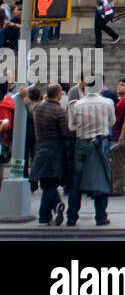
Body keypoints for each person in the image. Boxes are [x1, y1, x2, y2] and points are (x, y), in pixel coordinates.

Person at [65, 78, 115, 226]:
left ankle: (72, 216)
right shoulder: (108, 103)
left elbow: (72, 126)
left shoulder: (76, 104)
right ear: (100, 88)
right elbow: (112, 122)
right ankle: (100, 216)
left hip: (82, 142)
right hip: (100, 143)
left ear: (86, 88)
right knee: (100, 179)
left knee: (77, 181)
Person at [31, 83, 71, 224]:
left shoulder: (38, 108)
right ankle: (45, 215)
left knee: (46, 183)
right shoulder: (58, 111)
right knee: (51, 184)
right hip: (55, 151)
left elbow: (29, 107)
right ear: (59, 95)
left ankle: (56, 205)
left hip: (41, 148)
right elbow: (65, 133)